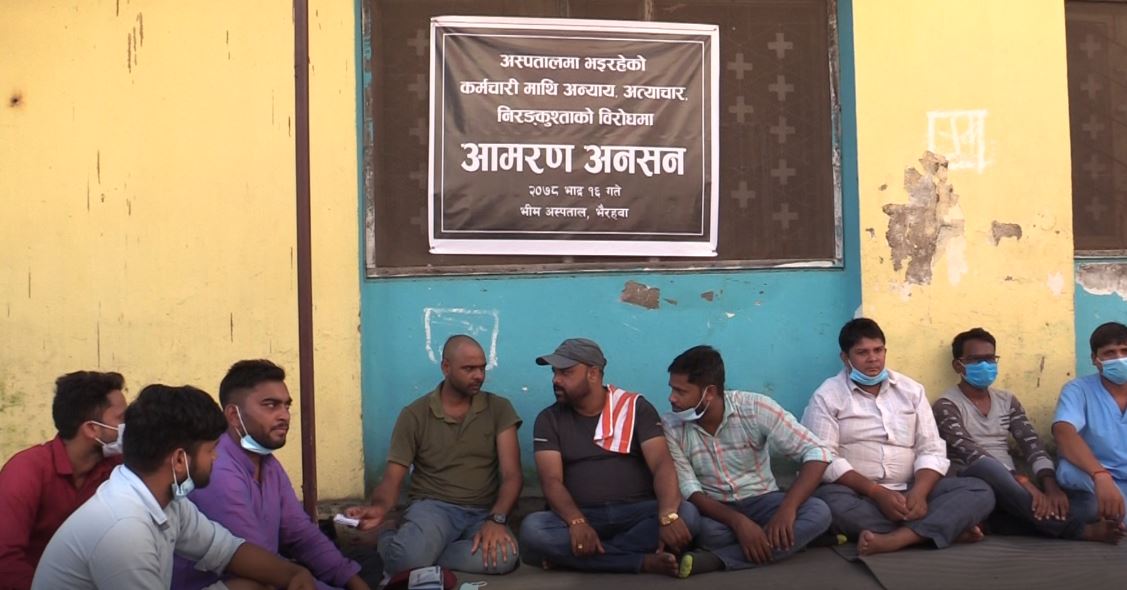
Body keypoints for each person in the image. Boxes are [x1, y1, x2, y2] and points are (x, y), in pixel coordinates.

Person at [31, 384, 318, 590]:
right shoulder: (124, 530)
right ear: (180, 459)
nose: (216, 458)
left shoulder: (167, 501)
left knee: (251, 584)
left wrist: (292, 574)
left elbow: (226, 550)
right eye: (211, 450)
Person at [173, 360, 378, 589]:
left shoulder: (268, 464)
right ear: (233, 415)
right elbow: (262, 566)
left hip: (270, 577)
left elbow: (302, 535)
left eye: (286, 406)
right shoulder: (217, 469)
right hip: (237, 583)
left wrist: (354, 583)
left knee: (364, 565)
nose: (284, 416)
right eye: (270, 405)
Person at [801, 318, 995, 556]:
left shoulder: (911, 390)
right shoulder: (827, 396)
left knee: (979, 490)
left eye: (878, 350)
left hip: (913, 490)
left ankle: (898, 538)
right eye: (862, 353)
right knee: (827, 502)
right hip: (859, 494)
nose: (873, 358)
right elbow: (825, 459)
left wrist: (920, 493)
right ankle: (941, 529)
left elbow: (931, 448)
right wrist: (877, 493)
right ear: (845, 357)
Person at [519, 338, 699, 577]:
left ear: (593, 374)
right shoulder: (549, 419)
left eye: (566, 372)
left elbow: (662, 465)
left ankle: (579, 559)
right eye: (554, 372)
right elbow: (551, 481)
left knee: (688, 515)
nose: (556, 380)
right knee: (533, 530)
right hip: (583, 514)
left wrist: (667, 515)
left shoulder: (635, 408)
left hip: (637, 513)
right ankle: (640, 562)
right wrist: (577, 522)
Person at [347, 335, 522, 576]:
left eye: (482, 368)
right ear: (446, 367)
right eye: (469, 369)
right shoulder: (415, 414)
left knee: (505, 557)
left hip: (482, 512)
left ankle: (422, 553)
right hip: (433, 509)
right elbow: (392, 478)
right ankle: (388, 533)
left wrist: (496, 520)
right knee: (405, 563)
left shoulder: (499, 408)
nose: (479, 376)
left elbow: (512, 475)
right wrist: (379, 508)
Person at [934, 328, 1121, 543]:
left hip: (1014, 490)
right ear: (958, 366)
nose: (985, 366)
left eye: (990, 359)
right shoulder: (946, 405)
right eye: (976, 360)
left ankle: (994, 524)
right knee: (988, 467)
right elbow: (972, 454)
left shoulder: (1006, 400)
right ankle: (1078, 531)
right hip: (974, 480)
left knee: (1090, 506)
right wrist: (1024, 482)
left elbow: (1032, 444)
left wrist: (1050, 486)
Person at [662, 346, 833, 577]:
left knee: (819, 512)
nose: (671, 398)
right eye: (672, 389)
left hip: (764, 500)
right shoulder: (671, 426)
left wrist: (787, 510)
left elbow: (817, 452)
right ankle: (787, 542)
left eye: (681, 391)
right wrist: (739, 523)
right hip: (717, 510)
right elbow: (690, 491)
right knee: (706, 532)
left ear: (709, 392)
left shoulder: (754, 408)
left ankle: (717, 560)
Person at [0, 371, 127, 590]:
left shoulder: (119, 468)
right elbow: (5, 559)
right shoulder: (26, 471)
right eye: (122, 418)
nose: (130, 425)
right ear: (92, 428)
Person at [1052, 321, 1127, 535]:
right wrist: (1100, 474)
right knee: (1071, 475)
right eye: (1110, 353)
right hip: (1090, 476)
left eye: (1125, 351)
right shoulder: (1078, 390)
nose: (1120, 358)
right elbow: (1063, 432)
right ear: (1095, 359)